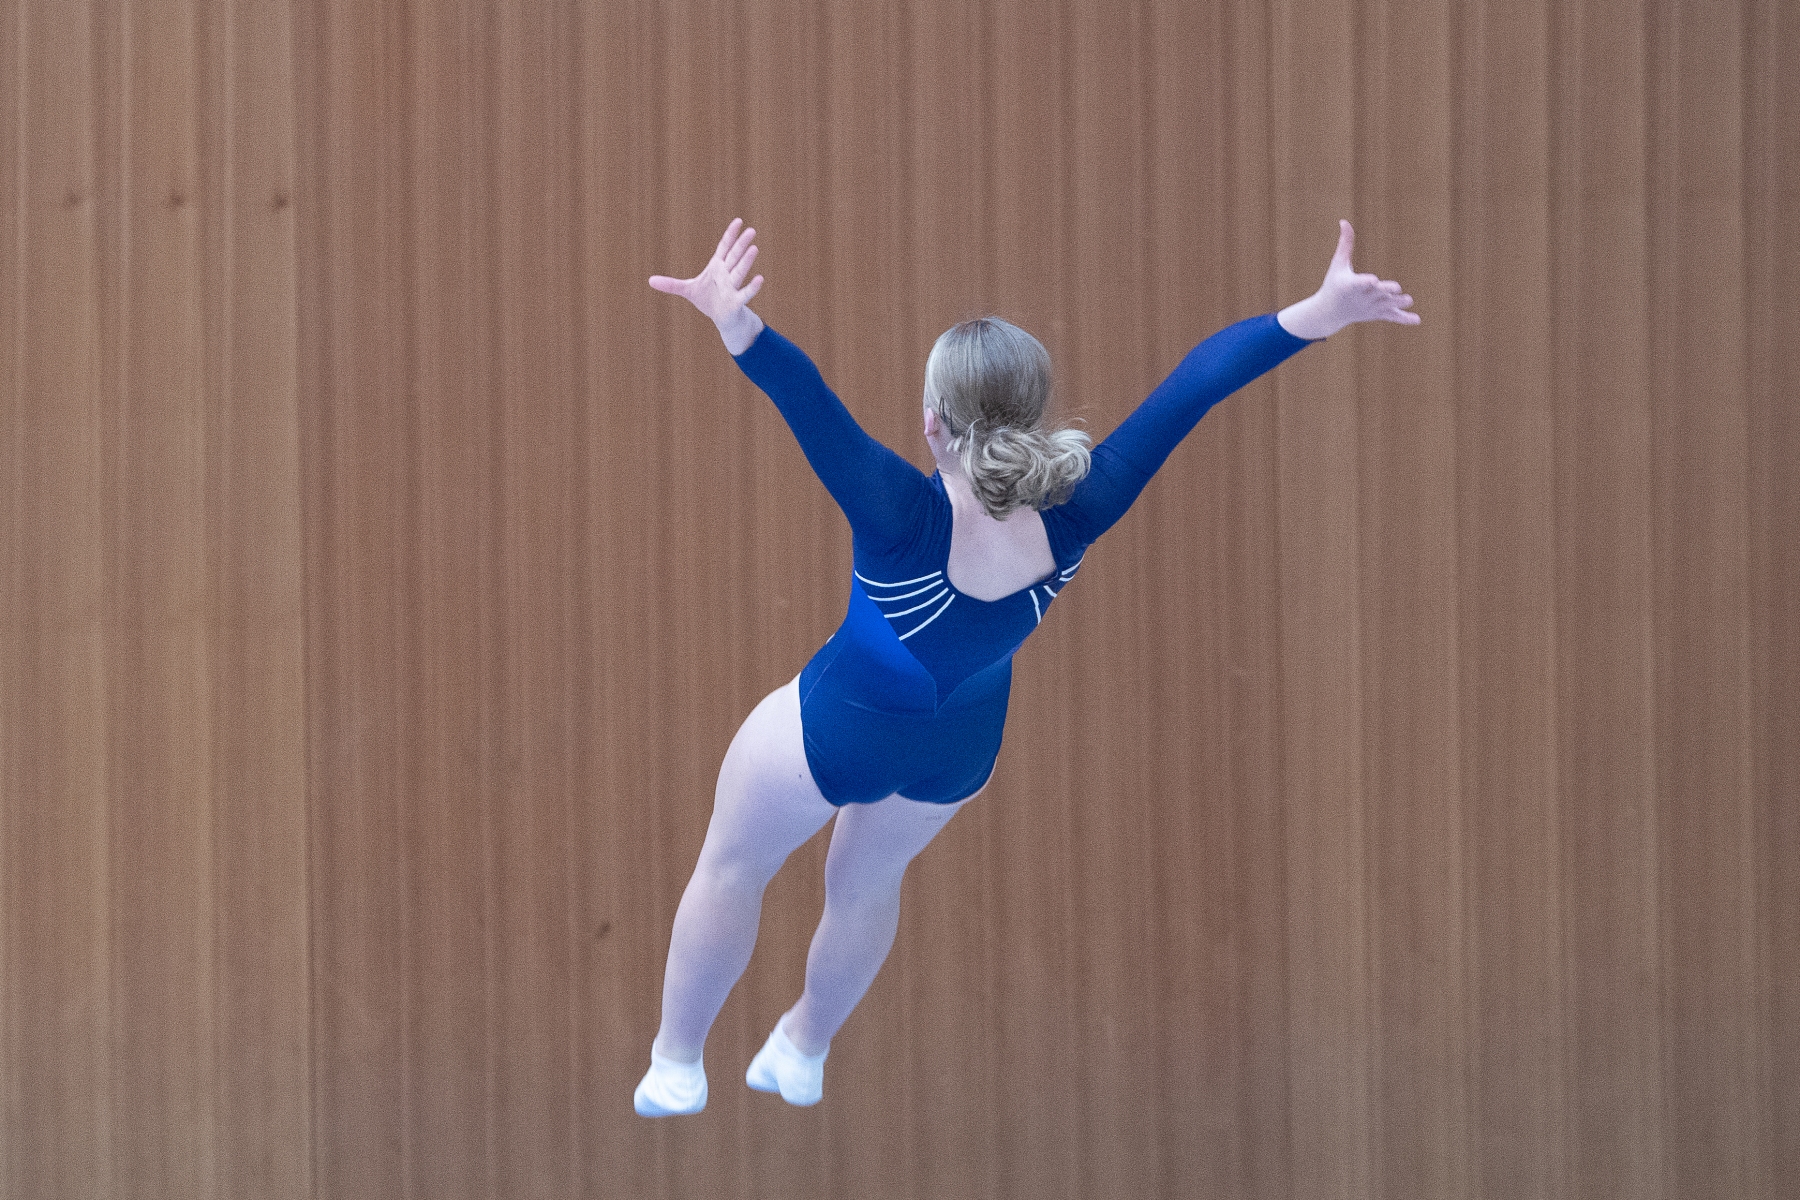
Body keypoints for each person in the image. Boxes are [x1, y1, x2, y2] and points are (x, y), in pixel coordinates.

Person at [634, 217, 1418, 1116]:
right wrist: (1316, 314)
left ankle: (677, 1063)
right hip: (959, 751)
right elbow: (1193, 387)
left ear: (931, 422)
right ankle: (804, 1045)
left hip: (840, 725)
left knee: (732, 866)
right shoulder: (1081, 509)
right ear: (1032, 416)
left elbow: (807, 403)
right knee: (866, 885)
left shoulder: (900, 514)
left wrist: (736, 321)